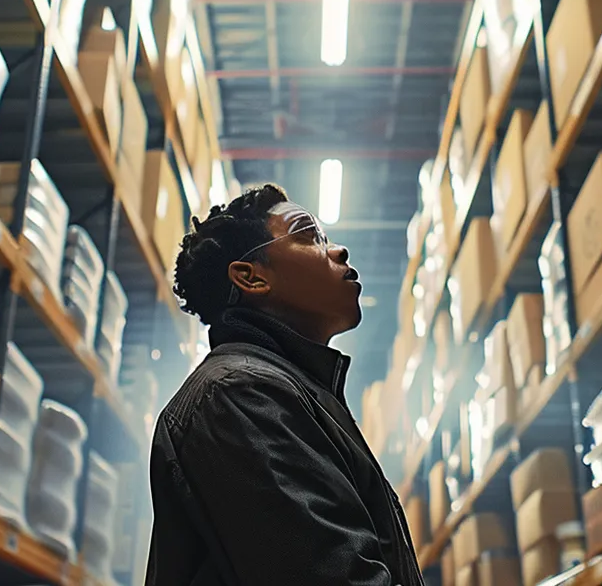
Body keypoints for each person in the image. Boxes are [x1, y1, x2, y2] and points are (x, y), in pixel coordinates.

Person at [146, 184, 423, 586]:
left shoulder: (289, 393)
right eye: (309, 235)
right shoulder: (239, 396)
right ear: (252, 277)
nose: (338, 251)